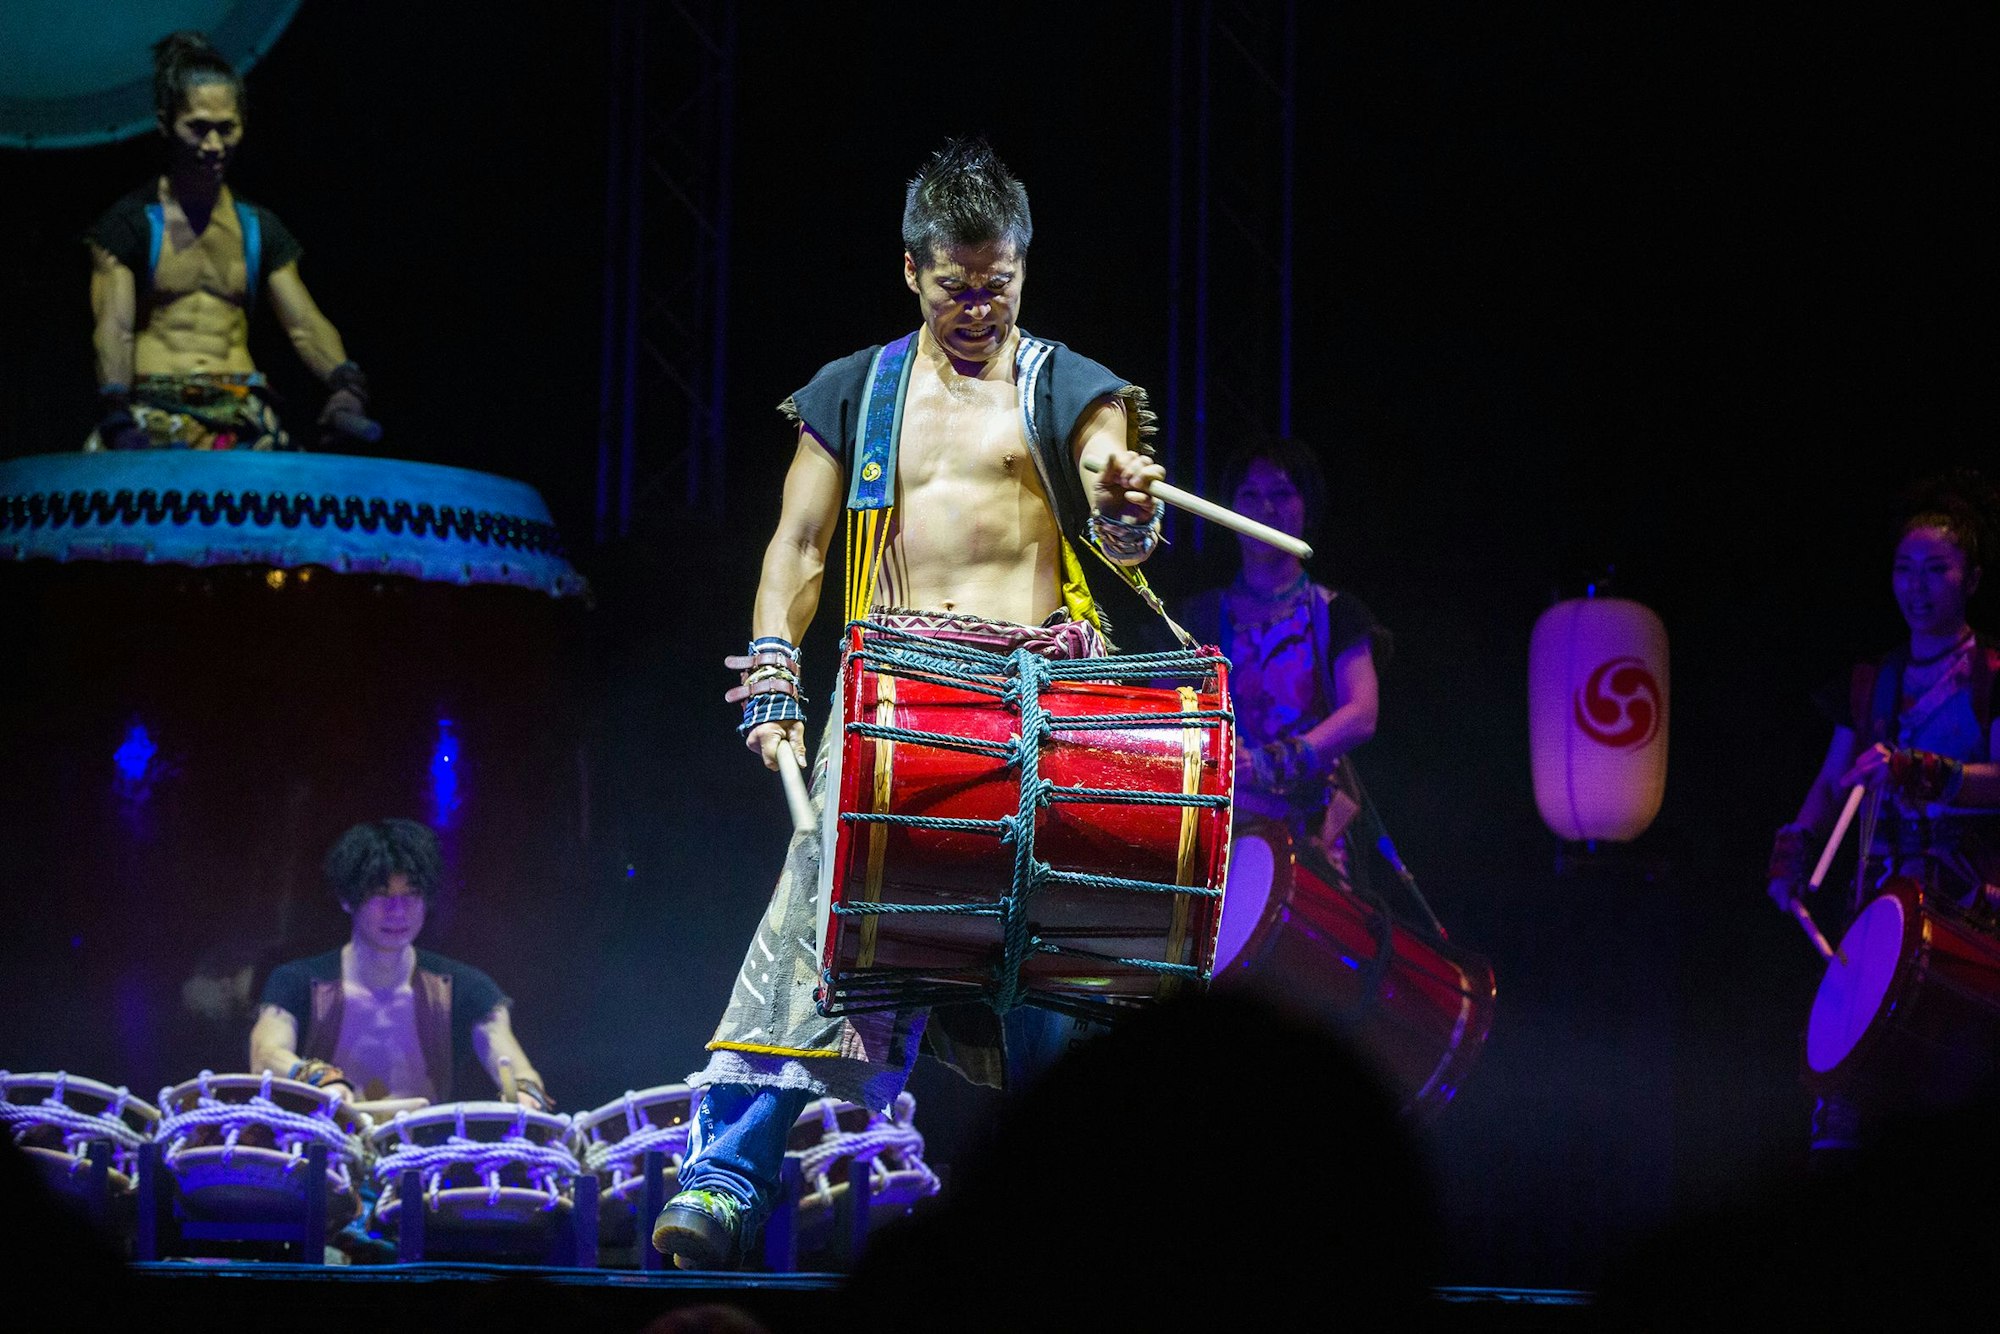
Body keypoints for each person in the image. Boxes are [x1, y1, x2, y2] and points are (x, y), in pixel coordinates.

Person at [650, 138, 1172, 1270]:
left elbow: (1108, 493)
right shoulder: (852, 390)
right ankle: (723, 1174)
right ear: (910, 269)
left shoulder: (1068, 385)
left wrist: (1126, 505)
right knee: (811, 920)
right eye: (955, 284)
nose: (978, 306)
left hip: (1036, 700)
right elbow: (795, 544)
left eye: (999, 283)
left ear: (1024, 267)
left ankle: (1079, 1196)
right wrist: (775, 675)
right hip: (892, 692)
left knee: (1053, 948)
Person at [1768, 469, 2000, 1157]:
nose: (1917, 586)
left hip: (1970, 901)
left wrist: (1922, 771)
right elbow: (1832, 780)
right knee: (1850, 1092)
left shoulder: (1989, 676)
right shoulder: (1875, 681)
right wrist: (1795, 847)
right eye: (1905, 570)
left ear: (1972, 581)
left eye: (1936, 570)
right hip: (1883, 903)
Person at [83, 30, 377, 453]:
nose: (214, 145)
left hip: (241, 413)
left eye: (227, 129)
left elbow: (303, 325)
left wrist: (346, 383)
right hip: (154, 412)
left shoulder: (259, 228)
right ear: (165, 123)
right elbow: (116, 327)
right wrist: (114, 408)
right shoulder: (129, 226)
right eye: (198, 129)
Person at [1175, 437, 1391, 889]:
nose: (1264, 508)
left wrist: (1272, 763)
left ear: (1306, 507)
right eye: (1249, 496)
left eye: (1281, 494)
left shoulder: (1336, 612)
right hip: (1220, 834)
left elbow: (1361, 714)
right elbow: (1165, 713)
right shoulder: (1197, 618)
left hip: (1312, 838)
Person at [249, 819, 551, 1111]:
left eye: (411, 895)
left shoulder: (468, 987)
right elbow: (265, 1055)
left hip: (424, 1156)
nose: (398, 911)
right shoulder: (296, 981)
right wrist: (320, 1078)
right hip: (324, 1152)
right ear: (346, 899)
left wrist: (523, 1095)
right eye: (382, 895)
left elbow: (515, 1069)